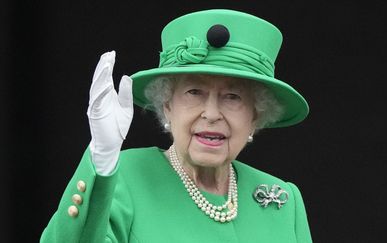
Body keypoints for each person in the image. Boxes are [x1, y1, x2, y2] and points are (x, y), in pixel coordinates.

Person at [40, 9, 313, 242]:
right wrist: (101, 160)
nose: (212, 113)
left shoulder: (283, 200)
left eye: (233, 97)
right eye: (194, 92)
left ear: (255, 116)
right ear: (167, 105)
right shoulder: (123, 179)